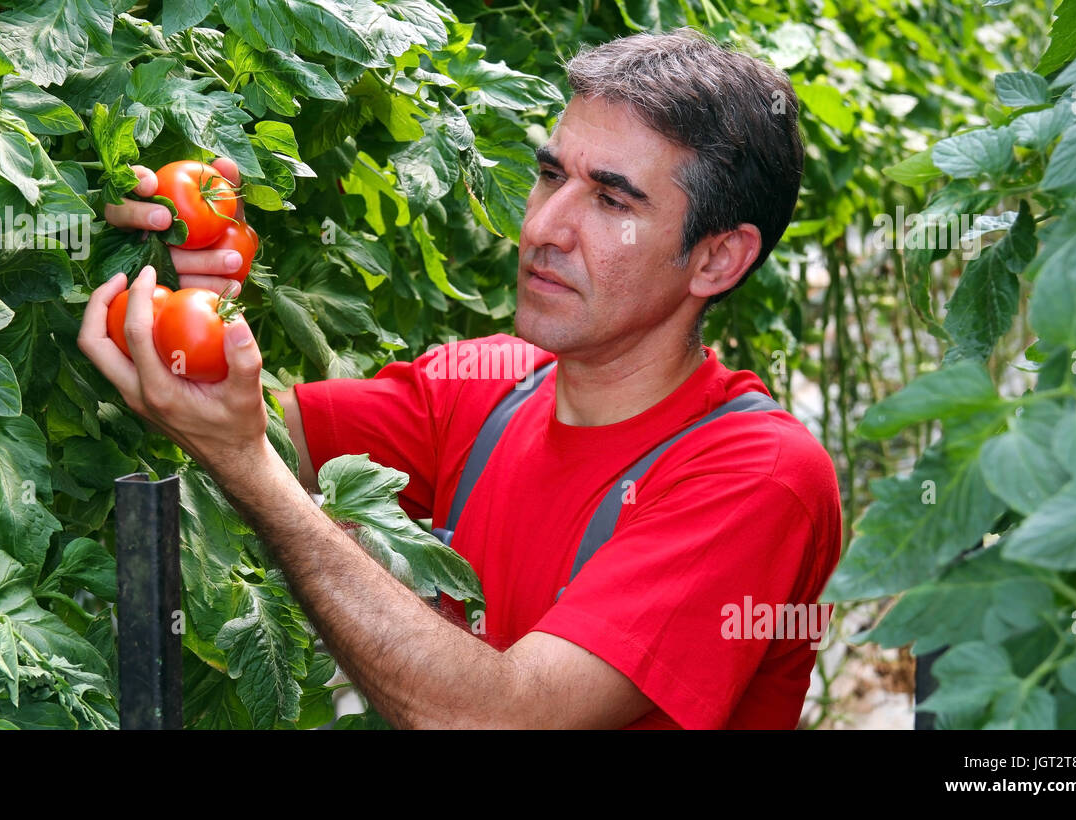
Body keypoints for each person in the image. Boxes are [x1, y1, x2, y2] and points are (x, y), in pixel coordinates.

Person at [80, 28, 842, 729]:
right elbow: (226, 411)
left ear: (717, 258)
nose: (543, 227)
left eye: (612, 200)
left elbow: (493, 718)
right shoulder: (488, 385)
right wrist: (173, 276)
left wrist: (249, 466)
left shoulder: (758, 477)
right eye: (550, 175)